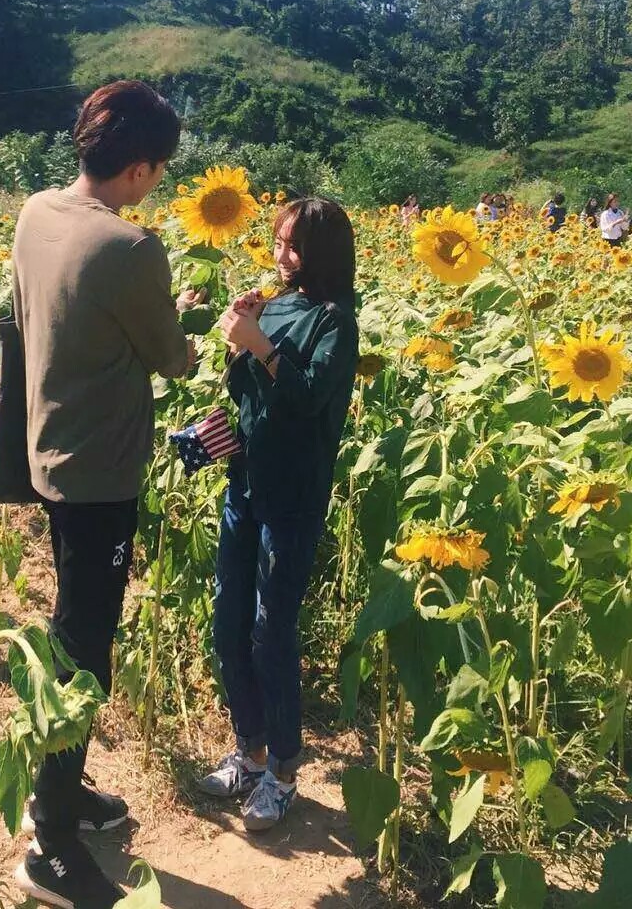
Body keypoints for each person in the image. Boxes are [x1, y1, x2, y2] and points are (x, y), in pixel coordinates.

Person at [11, 80, 198, 908]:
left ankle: (64, 789)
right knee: (86, 648)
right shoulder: (131, 247)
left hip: (47, 448)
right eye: (158, 171)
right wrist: (184, 321)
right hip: (99, 474)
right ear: (142, 167)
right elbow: (175, 361)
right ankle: (49, 840)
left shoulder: (36, 212)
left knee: (69, 628)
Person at [199, 198, 359, 832]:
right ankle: (249, 747)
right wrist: (240, 339)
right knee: (228, 616)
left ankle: (284, 770)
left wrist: (261, 346)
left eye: (293, 246)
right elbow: (247, 395)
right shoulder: (277, 304)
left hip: (293, 494)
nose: (281, 255)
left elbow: (311, 398)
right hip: (245, 483)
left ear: (322, 253)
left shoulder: (334, 321)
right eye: (277, 241)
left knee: (272, 629)